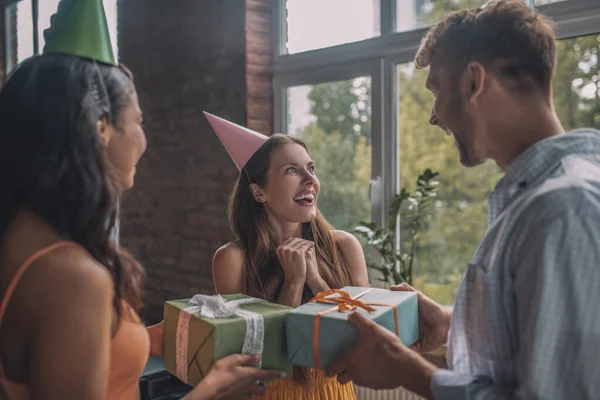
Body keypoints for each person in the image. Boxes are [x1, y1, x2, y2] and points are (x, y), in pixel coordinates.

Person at [0, 1, 283, 399]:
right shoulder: (73, 278)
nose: (143, 140)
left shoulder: (22, 237)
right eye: (139, 121)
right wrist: (212, 390)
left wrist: (146, 337)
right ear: (101, 128)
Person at [326, 0, 600, 399]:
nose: (435, 116)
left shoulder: (562, 209)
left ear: (474, 82)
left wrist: (408, 369)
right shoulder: (540, 199)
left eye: (436, 89)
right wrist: (450, 322)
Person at [205, 114, 370, 400]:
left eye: (311, 168)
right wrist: (292, 285)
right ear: (259, 192)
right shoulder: (232, 260)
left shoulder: (345, 246)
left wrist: (317, 282)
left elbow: (366, 339)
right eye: (292, 171)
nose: (310, 180)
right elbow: (253, 358)